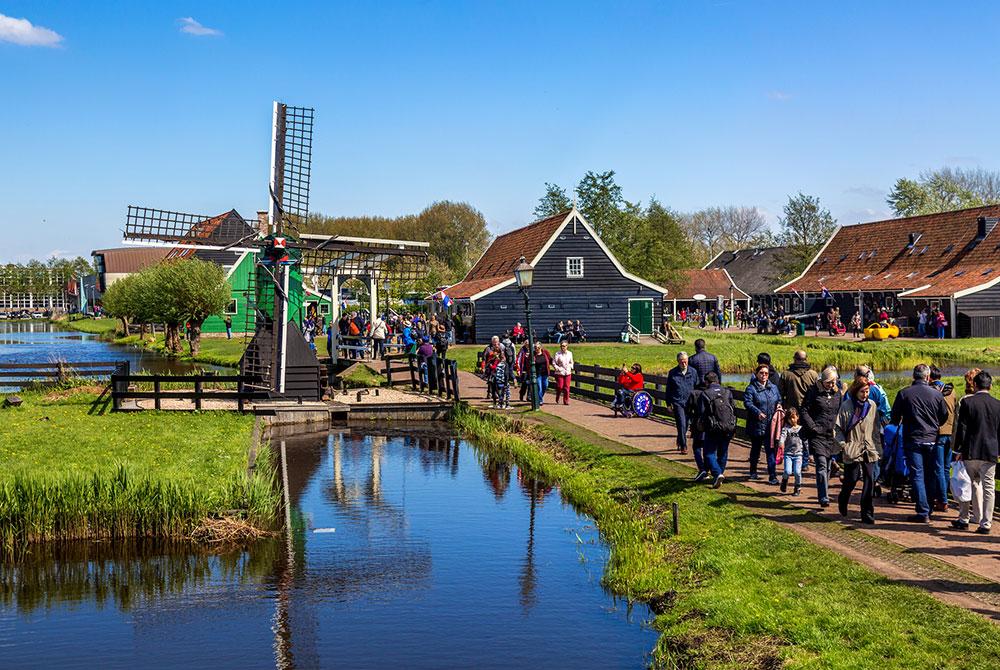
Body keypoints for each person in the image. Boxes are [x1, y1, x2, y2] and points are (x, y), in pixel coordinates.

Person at [891, 364, 948, 523]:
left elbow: (895, 418)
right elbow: (943, 417)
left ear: (913, 376)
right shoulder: (936, 395)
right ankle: (928, 508)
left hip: (913, 439)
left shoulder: (904, 394)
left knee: (917, 475)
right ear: (928, 377)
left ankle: (923, 511)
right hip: (931, 439)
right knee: (931, 474)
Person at [952, 370, 999, 534]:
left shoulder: (967, 403)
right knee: (989, 487)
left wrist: (958, 449)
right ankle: (986, 523)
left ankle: (975, 516)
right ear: (991, 386)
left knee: (974, 483)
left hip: (971, 450)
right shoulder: (997, 404)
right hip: (990, 451)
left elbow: (962, 429)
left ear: (975, 385)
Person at [836, 380, 881, 524]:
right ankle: (843, 497)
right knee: (852, 479)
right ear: (856, 391)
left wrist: (878, 447)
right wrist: (844, 445)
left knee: (870, 479)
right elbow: (837, 429)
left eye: (867, 391)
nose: (865, 394)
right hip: (853, 447)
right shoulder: (847, 406)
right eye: (862, 391)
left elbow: (875, 428)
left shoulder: (872, 406)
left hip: (869, 447)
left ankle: (867, 512)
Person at [801, 367, 843, 507]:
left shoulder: (837, 394)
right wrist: (813, 427)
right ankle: (823, 497)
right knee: (821, 465)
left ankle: (824, 489)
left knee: (829, 466)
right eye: (828, 383)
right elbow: (804, 410)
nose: (831, 385)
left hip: (831, 435)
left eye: (833, 382)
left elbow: (841, 410)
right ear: (823, 380)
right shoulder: (813, 392)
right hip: (817, 434)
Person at [744, 364, 782, 484]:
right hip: (757, 424)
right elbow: (747, 403)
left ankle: (772, 475)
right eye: (761, 373)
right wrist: (757, 412)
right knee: (755, 449)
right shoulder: (751, 388)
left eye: (766, 373)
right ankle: (753, 471)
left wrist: (779, 405)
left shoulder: (774, 387)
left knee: (771, 451)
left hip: (771, 425)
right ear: (756, 374)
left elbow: (779, 399)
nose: (764, 375)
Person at [697, 372, 736, 488]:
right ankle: (719, 475)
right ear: (718, 380)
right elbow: (733, 409)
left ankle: (717, 473)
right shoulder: (727, 392)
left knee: (709, 452)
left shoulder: (705, 394)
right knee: (723, 452)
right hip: (728, 427)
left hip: (713, 428)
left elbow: (702, 413)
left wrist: (701, 426)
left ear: (706, 382)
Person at [929, 366, 956, 512]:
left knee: (938, 468)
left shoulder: (933, 391)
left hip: (938, 432)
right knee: (946, 468)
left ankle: (942, 500)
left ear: (930, 378)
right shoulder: (952, 391)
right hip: (950, 432)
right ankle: (944, 497)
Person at [666, 351, 697, 454]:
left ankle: (680, 439)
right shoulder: (673, 372)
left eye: (685, 362)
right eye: (682, 362)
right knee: (681, 424)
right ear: (678, 361)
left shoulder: (693, 372)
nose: (684, 364)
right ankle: (684, 446)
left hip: (689, 402)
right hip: (678, 401)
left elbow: (696, 387)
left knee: (686, 424)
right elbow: (668, 389)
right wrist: (668, 404)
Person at [779, 408, 805, 496]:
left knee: (797, 472)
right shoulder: (786, 429)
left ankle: (797, 487)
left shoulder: (801, 429)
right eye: (790, 418)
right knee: (788, 471)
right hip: (788, 454)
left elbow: (806, 442)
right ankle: (784, 481)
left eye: (793, 417)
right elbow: (782, 437)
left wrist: (809, 454)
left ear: (797, 417)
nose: (792, 420)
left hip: (798, 454)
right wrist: (781, 443)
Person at [552, 340, 575, 405]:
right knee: (560, 386)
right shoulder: (557, 354)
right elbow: (554, 362)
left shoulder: (570, 353)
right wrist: (557, 368)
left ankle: (566, 401)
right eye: (562, 346)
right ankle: (558, 396)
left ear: (567, 346)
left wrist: (571, 366)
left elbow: (571, 361)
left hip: (567, 372)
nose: (563, 347)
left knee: (567, 387)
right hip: (560, 372)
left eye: (564, 346)